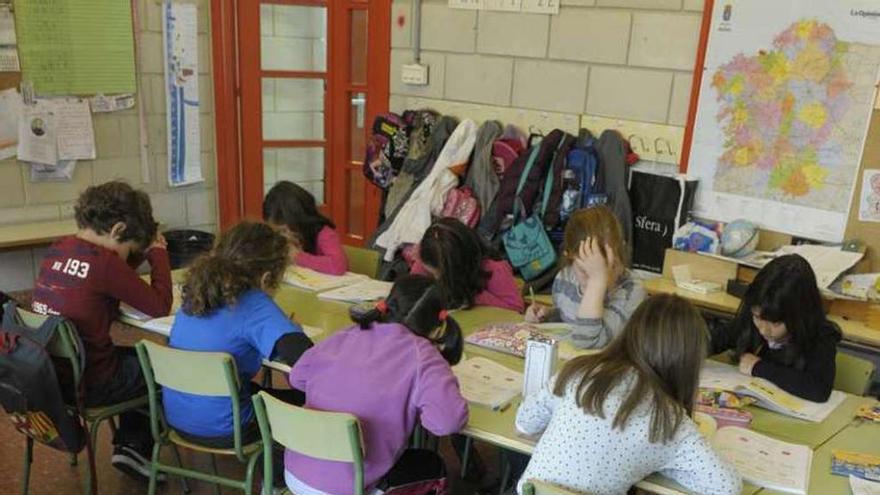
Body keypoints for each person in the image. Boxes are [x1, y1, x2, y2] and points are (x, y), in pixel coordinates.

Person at [516, 295, 742, 495]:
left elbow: (524, 423)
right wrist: (664, 461)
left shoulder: (580, 371)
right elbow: (726, 487)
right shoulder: (669, 422)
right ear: (689, 362)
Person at [31, 181, 173, 480]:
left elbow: (111, 276)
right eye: (129, 250)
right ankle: (135, 447)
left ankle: (130, 444)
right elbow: (160, 306)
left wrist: (133, 253)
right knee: (163, 367)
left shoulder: (60, 246)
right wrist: (158, 253)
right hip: (93, 382)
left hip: (55, 377)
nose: (128, 258)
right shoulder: (105, 263)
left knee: (137, 357)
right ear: (117, 230)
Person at [284, 275, 468, 494]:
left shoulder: (349, 332)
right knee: (433, 465)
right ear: (438, 324)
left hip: (296, 472)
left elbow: (298, 377)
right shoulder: (424, 356)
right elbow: (447, 422)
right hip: (351, 486)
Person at [164, 221, 313, 444]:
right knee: (307, 400)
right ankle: (282, 469)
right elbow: (309, 364)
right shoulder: (254, 303)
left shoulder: (196, 293)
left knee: (256, 391)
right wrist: (293, 331)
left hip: (178, 419)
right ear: (265, 278)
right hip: (230, 427)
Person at [710, 254, 841, 402]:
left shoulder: (820, 337)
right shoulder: (752, 320)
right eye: (757, 317)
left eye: (776, 323)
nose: (763, 330)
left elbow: (818, 389)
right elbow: (713, 340)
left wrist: (758, 367)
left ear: (799, 316)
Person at [525, 206, 645, 348]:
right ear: (569, 257)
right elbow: (571, 322)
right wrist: (547, 317)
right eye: (584, 271)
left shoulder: (631, 292)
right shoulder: (565, 278)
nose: (595, 277)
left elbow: (587, 341)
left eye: (607, 268)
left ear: (619, 253)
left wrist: (597, 281)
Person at [410, 217, 524, 312]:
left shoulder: (494, 269)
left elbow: (516, 309)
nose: (436, 278)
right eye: (431, 272)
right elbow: (411, 294)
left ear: (458, 268)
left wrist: (473, 296)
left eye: (440, 274)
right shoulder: (425, 255)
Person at [263, 180, 347, 275]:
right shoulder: (278, 236)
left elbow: (337, 266)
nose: (282, 235)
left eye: (284, 230)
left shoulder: (324, 233)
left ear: (301, 221)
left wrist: (297, 256)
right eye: (278, 232)